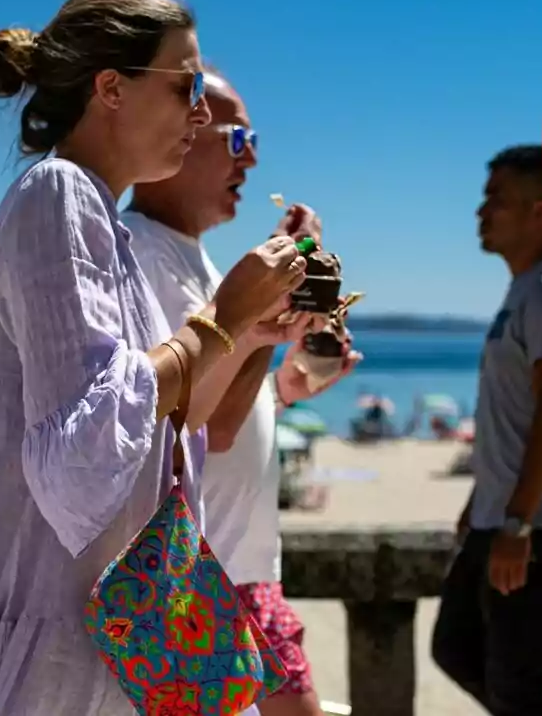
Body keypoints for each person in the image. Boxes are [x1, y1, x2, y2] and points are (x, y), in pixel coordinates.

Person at [0, 0, 309, 716]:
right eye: (186, 85)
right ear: (111, 88)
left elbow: (162, 424)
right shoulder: (59, 194)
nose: (202, 113)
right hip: (52, 662)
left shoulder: (98, 220)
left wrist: (247, 329)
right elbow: (84, 450)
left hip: (89, 648)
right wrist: (223, 315)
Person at [124, 70, 359, 716]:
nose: (252, 155)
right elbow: (205, 427)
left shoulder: (193, 261)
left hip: (233, 568)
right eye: (237, 138)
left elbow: (222, 405)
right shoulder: (140, 255)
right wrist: (265, 321)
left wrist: (284, 383)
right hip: (207, 578)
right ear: (182, 134)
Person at [431, 144, 542, 715]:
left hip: (540, 528)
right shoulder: (524, 291)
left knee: (517, 685)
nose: (482, 212)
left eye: (496, 200)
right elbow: (513, 415)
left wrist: (520, 523)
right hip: (500, 517)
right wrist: (482, 499)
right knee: (454, 649)